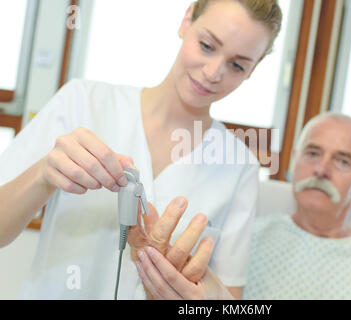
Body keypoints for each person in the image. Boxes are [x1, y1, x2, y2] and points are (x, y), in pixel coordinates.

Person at [0, 0, 282, 299]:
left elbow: (227, 297)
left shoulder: (239, 167)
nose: (213, 72)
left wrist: (196, 298)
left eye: (237, 65)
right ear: (187, 20)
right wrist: (44, 174)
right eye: (207, 45)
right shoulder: (83, 102)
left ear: (255, 67)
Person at [134, 112, 351, 299]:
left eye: (342, 160)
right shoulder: (241, 243)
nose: (321, 170)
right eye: (313, 153)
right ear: (295, 160)